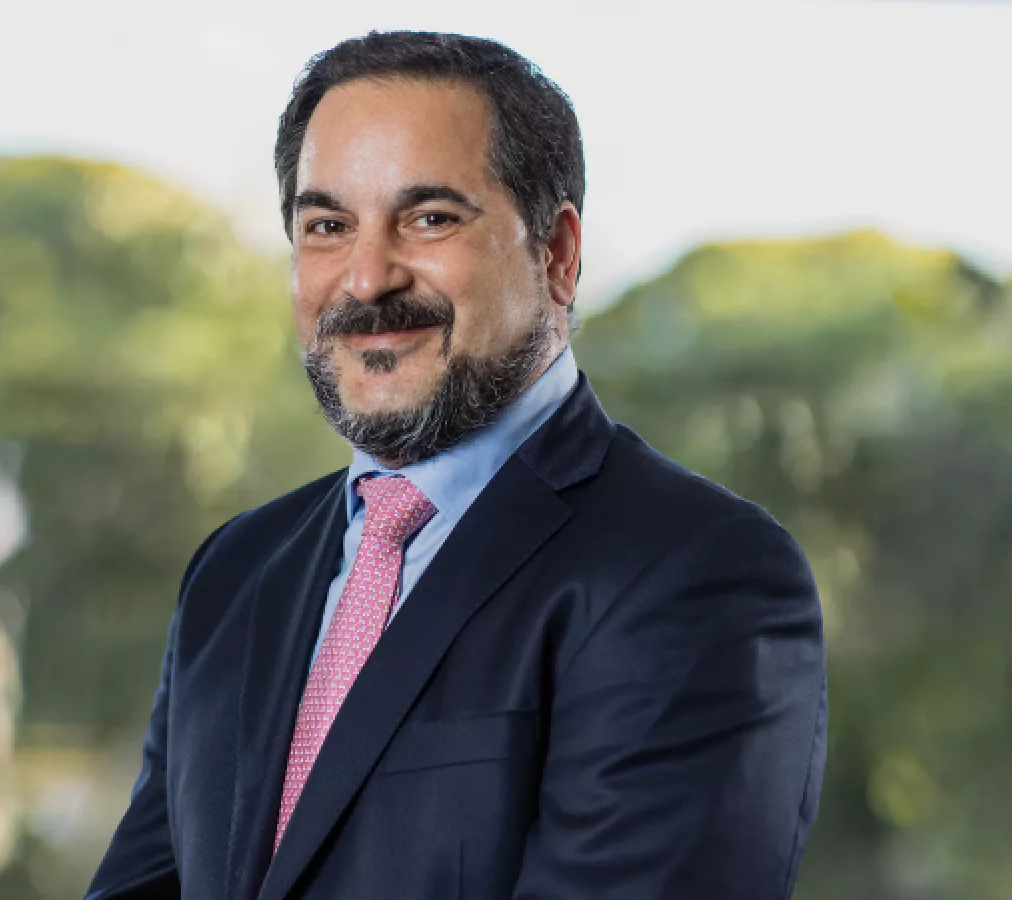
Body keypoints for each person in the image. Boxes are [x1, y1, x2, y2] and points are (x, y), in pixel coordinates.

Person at [86, 30, 826, 900]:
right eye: (327, 226)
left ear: (557, 253)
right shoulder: (235, 572)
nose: (367, 279)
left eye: (430, 218)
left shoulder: (694, 570)